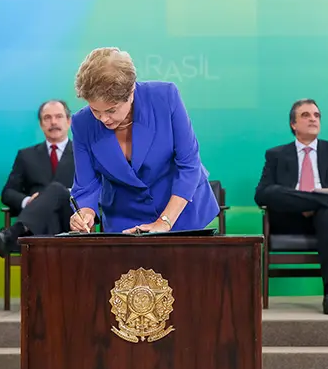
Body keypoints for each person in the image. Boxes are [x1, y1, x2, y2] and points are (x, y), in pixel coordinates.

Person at [68, 47, 219, 234]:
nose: (103, 119)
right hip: (124, 220)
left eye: (111, 110)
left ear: (131, 92)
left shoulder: (165, 98)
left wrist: (165, 221)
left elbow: (189, 164)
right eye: (95, 110)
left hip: (182, 213)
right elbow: (86, 185)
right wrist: (85, 213)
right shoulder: (82, 123)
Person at [254, 99, 328, 315]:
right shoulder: (276, 154)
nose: (313, 119)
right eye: (306, 115)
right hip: (289, 219)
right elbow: (261, 193)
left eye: (316, 115)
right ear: (293, 124)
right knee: (275, 191)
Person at [0, 100, 76, 257]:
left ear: (68, 121)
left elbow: (95, 189)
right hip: (39, 225)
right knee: (48, 212)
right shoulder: (26, 155)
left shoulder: (83, 154)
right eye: (47, 118)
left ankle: (12, 235)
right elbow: (8, 192)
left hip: (71, 219)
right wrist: (28, 201)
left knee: (56, 189)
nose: (53, 122)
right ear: (41, 124)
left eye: (59, 116)